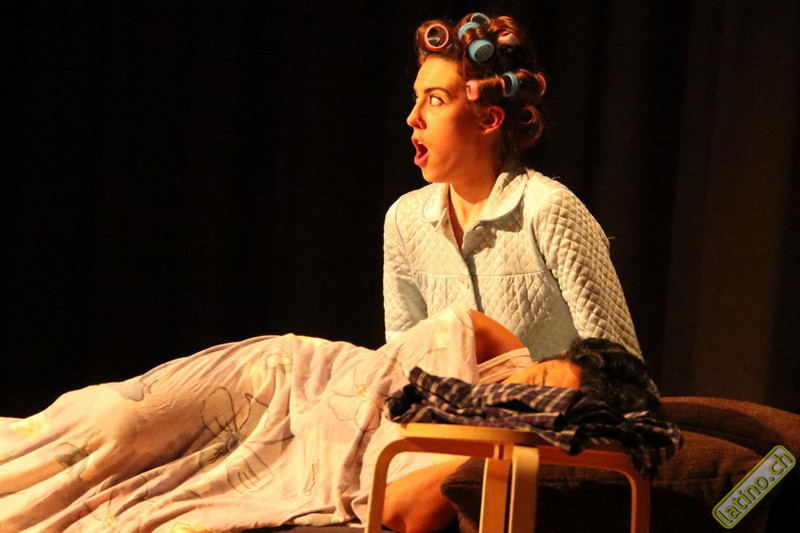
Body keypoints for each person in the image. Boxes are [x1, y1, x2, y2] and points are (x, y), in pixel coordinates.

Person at [0, 305, 663, 533]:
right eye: (539, 377)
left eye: (542, 401)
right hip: (286, 378)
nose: (519, 389)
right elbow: (424, 343)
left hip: (295, 461)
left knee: (129, 503)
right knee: (109, 418)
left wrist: (521, 423)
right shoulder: (495, 348)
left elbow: (400, 507)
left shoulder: (492, 453)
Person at [384, 12, 641, 361]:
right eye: (416, 98)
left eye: (436, 100)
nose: (413, 117)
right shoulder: (405, 219)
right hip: (445, 400)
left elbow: (618, 370)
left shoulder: (548, 211)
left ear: (488, 119)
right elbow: (402, 360)